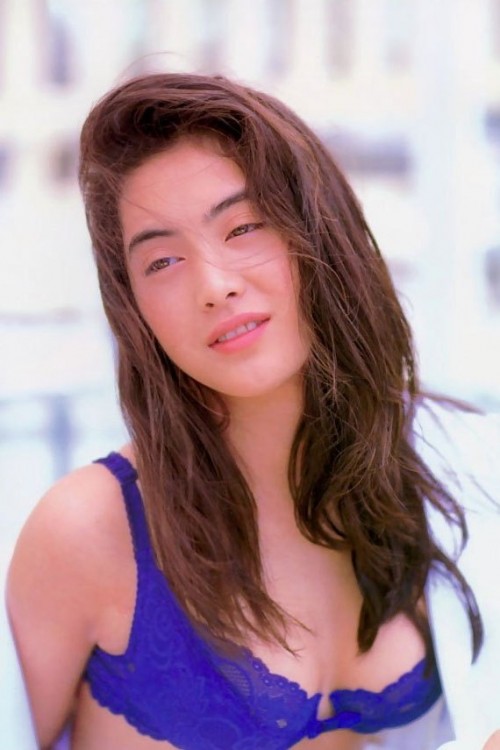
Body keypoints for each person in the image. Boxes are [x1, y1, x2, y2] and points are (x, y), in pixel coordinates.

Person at [5, 72, 500, 750]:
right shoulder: (89, 531)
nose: (214, 285)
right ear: (133, 307)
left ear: (319, 233)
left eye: (243, 227)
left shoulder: (459, 463)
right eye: (162, 262)